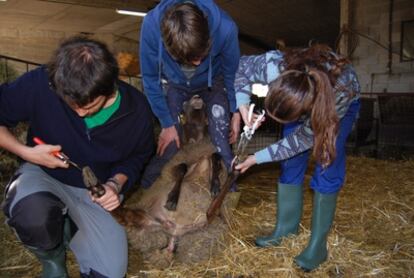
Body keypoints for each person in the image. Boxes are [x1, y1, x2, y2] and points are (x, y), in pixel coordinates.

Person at [0, 36, 155, 278]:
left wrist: (116, 184)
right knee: (33, 214)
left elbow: (139, 155)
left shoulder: (138, 112)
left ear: (110, 86)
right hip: (43, 173)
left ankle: (67, 225)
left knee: (110, 273)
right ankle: (52, 259)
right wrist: (26, 152)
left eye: (89, 105)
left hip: (94, 192)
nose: (79, 112)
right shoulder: (42, 82)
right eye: (71, 104)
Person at [234, 44, 361, 271]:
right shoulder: (273, 66)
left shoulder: (340, 92)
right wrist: (243, 104)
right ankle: (286, 228)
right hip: (302, 92)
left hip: (337, 103)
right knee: (291, 162)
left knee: (326, 160)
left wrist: (255, 158)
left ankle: (317, 246)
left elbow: (299, 141)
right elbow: (241, 68)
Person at [139, 0, 241, 188]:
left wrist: (236, 111)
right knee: (169, 144)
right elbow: (150, 78)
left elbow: (232, 74)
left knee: (222, 142)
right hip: (176, 83)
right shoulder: (151, 26)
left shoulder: (226, 29)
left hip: (213, 82)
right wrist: (166, 123)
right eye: (190, 59)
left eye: (201, 56)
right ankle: (146, 192)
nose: (196, 63)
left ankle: (230, 194)